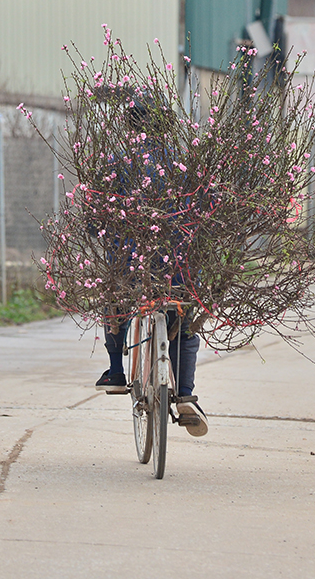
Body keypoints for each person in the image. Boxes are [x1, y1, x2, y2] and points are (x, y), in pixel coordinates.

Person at [92, 97, 208, 437]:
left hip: (129, 263)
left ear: (131, 127)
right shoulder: (185, 165)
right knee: (183, 318)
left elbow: (95, 215)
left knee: (115, 299)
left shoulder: (117, 164)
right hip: (178, 264)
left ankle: (115, 370)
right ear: (168, 127)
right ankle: (185, 392)